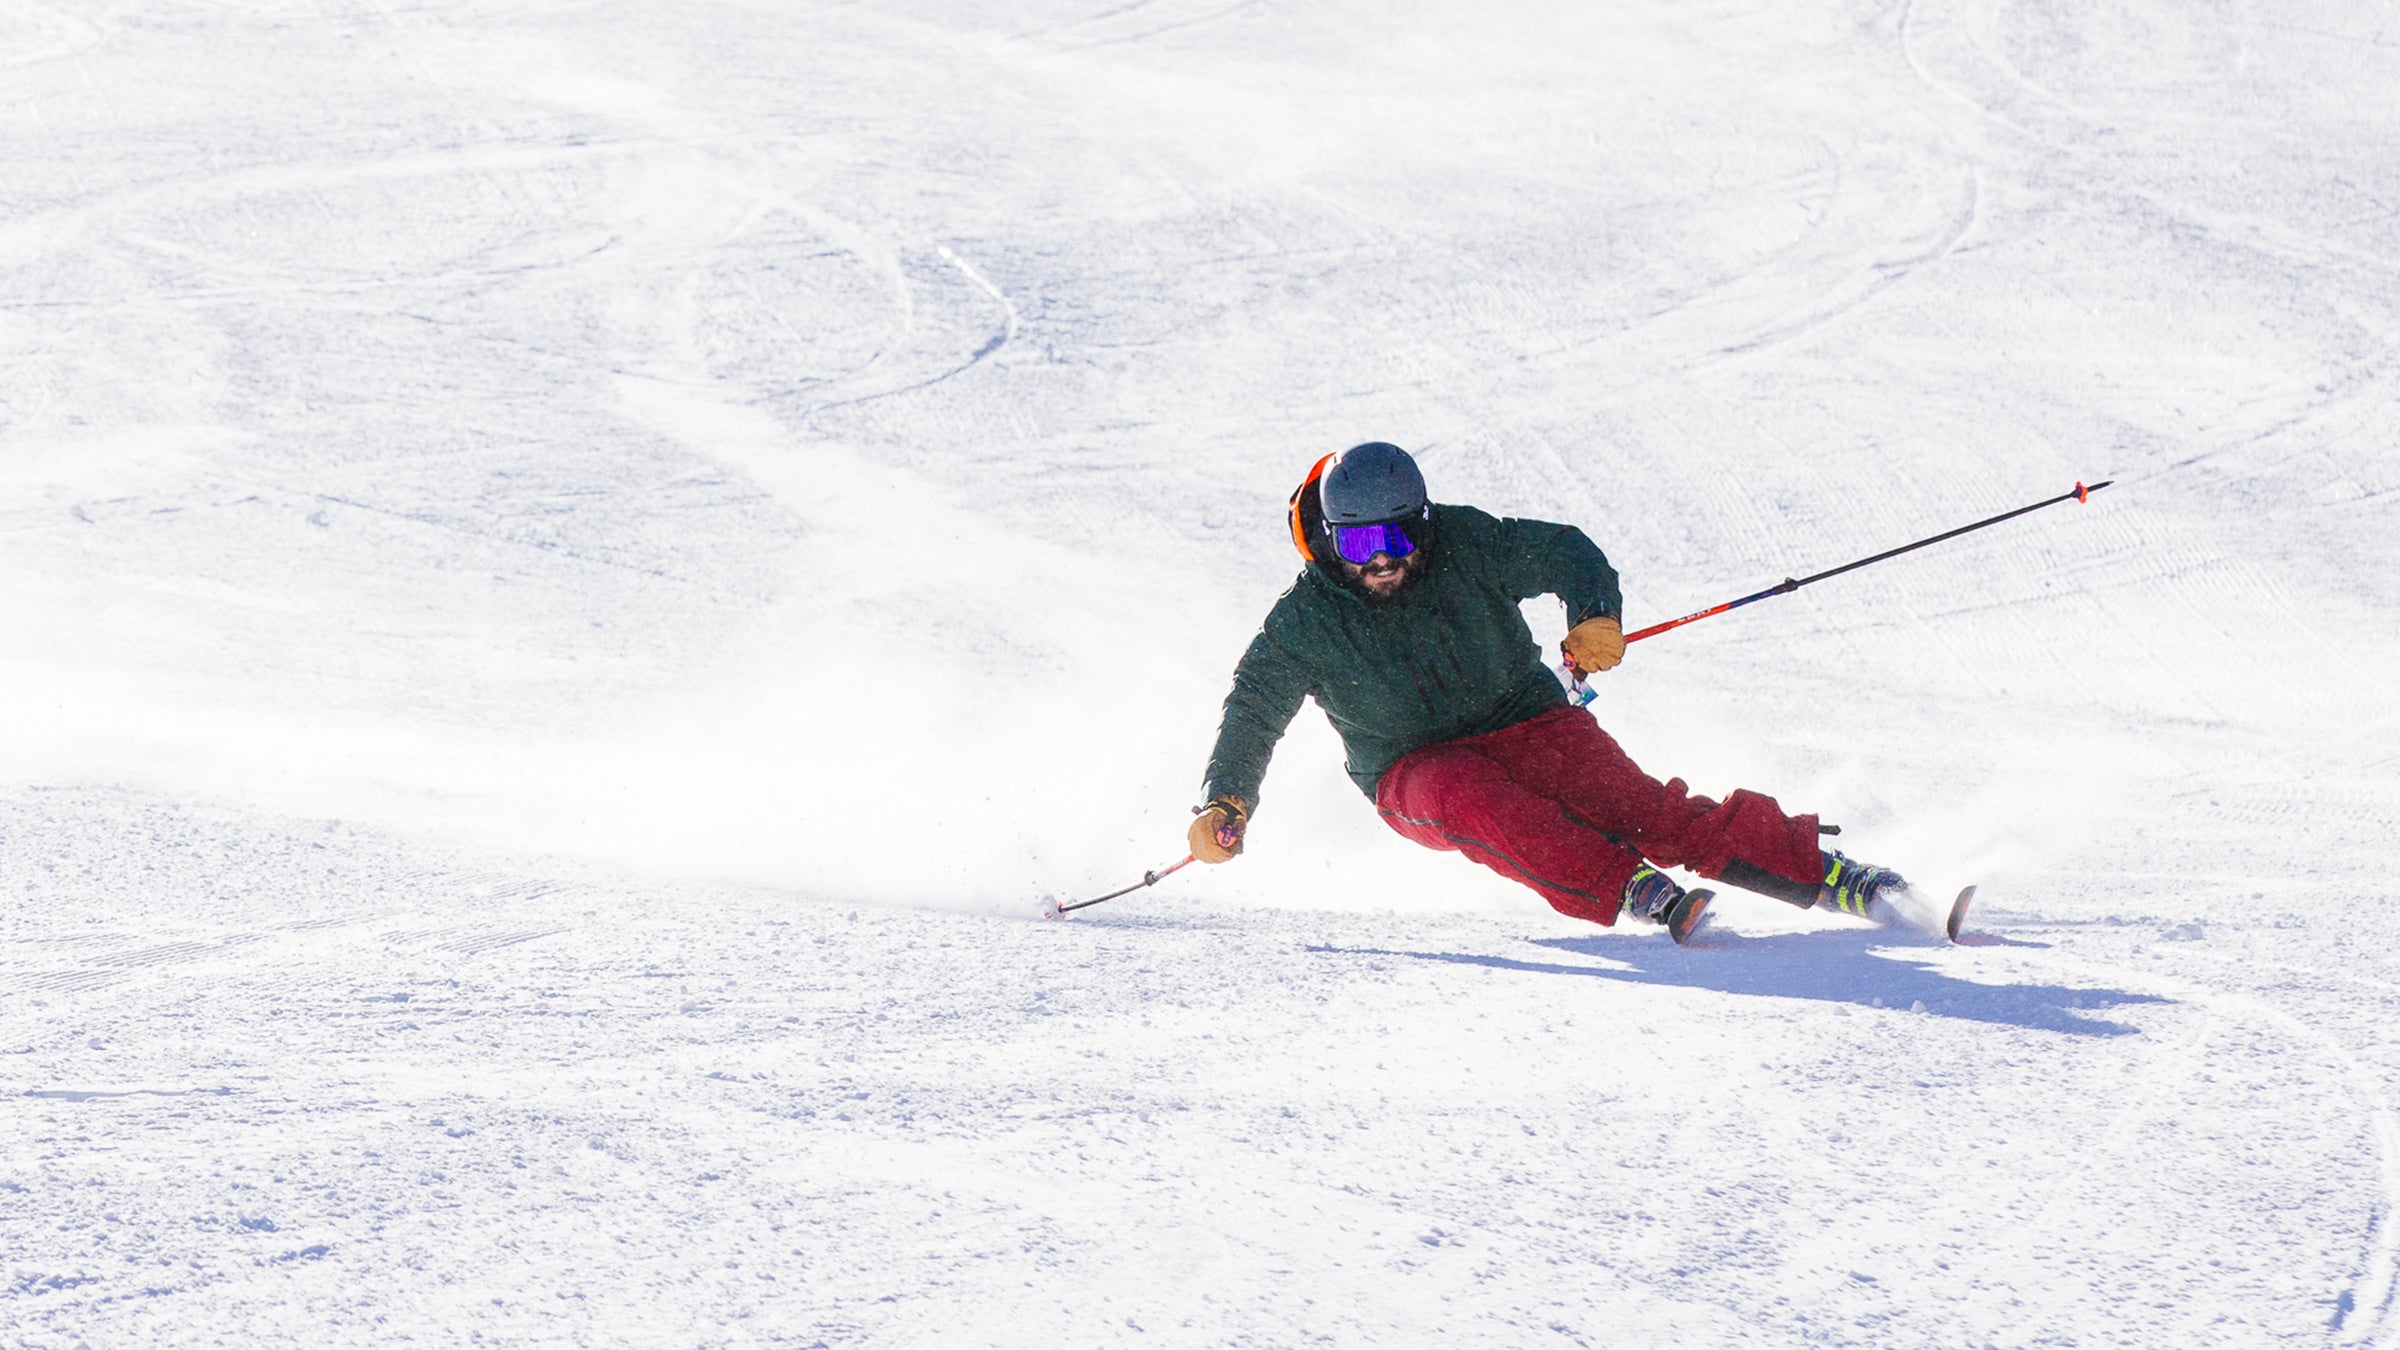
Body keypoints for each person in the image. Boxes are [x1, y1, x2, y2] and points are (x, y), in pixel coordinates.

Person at [1188, 440, 1914, 943]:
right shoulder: (1306, 619)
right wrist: (1227, 800)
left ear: (1421, 525)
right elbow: (1254, 706)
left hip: (1527, 718)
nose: (1380, 561)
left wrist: (1593, 613)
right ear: (1328, 540)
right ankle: (1628, 885)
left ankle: (1830, 877)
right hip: (1411, 771)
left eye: (1396, 540)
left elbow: (1566, 550)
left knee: (1642, 808)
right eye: (1355, 546)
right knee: (1469, 791)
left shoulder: (1466, 543)